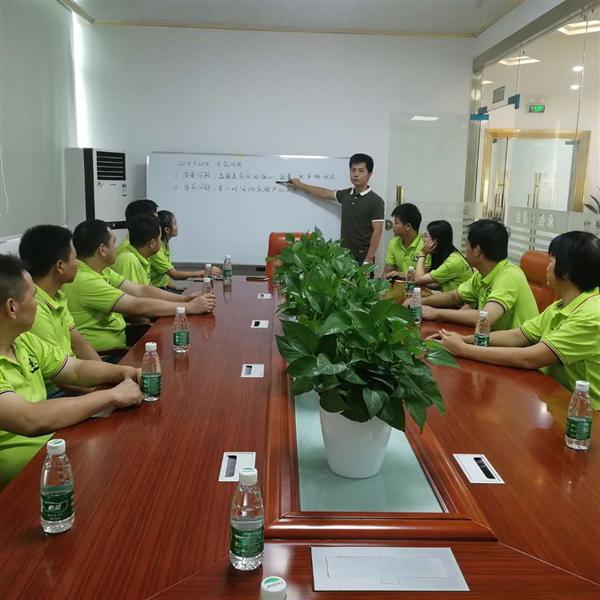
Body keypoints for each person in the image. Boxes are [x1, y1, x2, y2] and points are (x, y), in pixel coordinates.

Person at [0, 254, 144, 486]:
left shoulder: (22, 341)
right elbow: (29, 418)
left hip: (54, 451)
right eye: (33, 296)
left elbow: (74, 369)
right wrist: (111, 395)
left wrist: (123, 372)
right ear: (12, 307)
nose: (37, 303)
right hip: (24, 481)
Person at [434, 231, 600, 410]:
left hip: (587, 414)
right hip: (556, 397)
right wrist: (465, 339)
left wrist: (463, 349)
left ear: (566, 271)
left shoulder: (590, 316)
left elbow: (530, 358)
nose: (547, 266)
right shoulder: (560, 306)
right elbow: (519, 335)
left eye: (551, 260)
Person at [63, 220, 215, 353]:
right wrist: (189, 308)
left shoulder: (102, 269)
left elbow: (141, 290)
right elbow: (136, 305)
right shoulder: (86, 280)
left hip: (120, 340)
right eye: (114, 242)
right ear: (102, 250)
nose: (117, 247)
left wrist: (185, 300)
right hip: (106, 355)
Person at [418, 219, 538, 329]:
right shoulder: (482, 274)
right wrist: (420, 301)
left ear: (477, 250)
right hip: (489, 337)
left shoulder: (509, 276)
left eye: (466, 245)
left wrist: (437, 313)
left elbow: (485, 317)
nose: (465, 250)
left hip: (515, 344)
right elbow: (455, 296)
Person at [287, 154, 384, 265]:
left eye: (361, 171)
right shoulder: (346, 194)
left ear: (369, 174)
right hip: (344, 255)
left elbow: (378, 231)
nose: (356, 174)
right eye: (353, 170)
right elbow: (324, 193)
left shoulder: (376, 201)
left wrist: (369, 259)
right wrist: (300, 185)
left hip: (363, 257)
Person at [150, 210, 221, 288]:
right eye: (175, 223)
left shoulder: (164, 245)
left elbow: (164, 275)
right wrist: (206, 272)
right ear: (167, 230)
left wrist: (175, 287)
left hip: (163, 288)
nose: (177, 226)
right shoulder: (156, 250)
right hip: (155, 291)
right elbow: (174, 274)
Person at [413, 220, 472, 292]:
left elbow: (418, 279)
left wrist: (423, 254)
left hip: (459, 299)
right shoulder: (443, 255)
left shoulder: (453, 261)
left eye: (425, 236)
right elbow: (437, 284)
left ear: (435, 241)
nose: (423, 239)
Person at [113, 214, 162, 286]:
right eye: (160, 238)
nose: (161, 242)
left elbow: (148, 287)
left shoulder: (142, 256)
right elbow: (132, 292)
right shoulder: (128, 260)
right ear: (152, 243)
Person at [384, 204, 430, 279]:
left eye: (396, 223)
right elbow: (387, 272)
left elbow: (425, 276)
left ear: (408, 226)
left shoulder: (425, 245)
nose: (393, 226)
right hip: (398, 285)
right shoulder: (393, 242)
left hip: (419, 285)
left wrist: (402, 275)